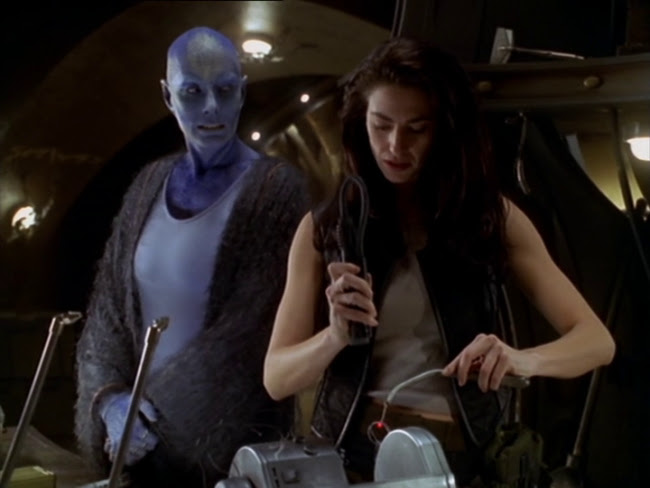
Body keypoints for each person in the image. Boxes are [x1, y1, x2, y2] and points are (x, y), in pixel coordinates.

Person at [263, 37, 616, 485]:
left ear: (444, 131)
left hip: (456, 456)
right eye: (381, 125)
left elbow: (596, 342)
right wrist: (334, 336)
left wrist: (519, 360)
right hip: (350, 455)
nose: (395, 145)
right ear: (360, 123)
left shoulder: (491, 217)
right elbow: (277, 377)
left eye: (416, 129)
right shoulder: (326, 228)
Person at [74, 27, 308, 487]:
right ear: (168, 96)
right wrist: (111, 402)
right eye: (193, 92)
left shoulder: (277, 190)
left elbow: (248, 334)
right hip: (137, 447)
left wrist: (148, 426)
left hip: (232, 460)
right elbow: (106, 315)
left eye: (225, 90)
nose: (211, 108)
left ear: (242, 92)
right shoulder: (148, 184)